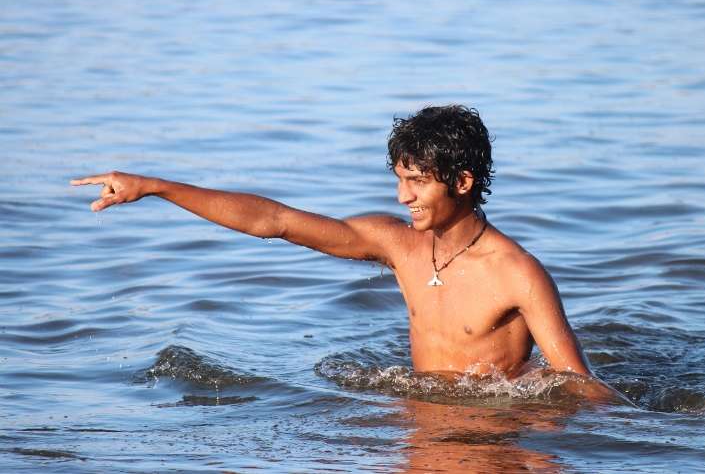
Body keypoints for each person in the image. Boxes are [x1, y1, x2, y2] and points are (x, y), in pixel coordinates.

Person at [72, 105, 623, 403]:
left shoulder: (517, 273)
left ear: (461, 182)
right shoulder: (400, 245)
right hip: (417, 417)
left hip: (486, 435)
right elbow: (276, 222)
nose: (402, 197)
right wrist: (156, 186)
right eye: (399, 179)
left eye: (417, 182)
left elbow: (577, 383)